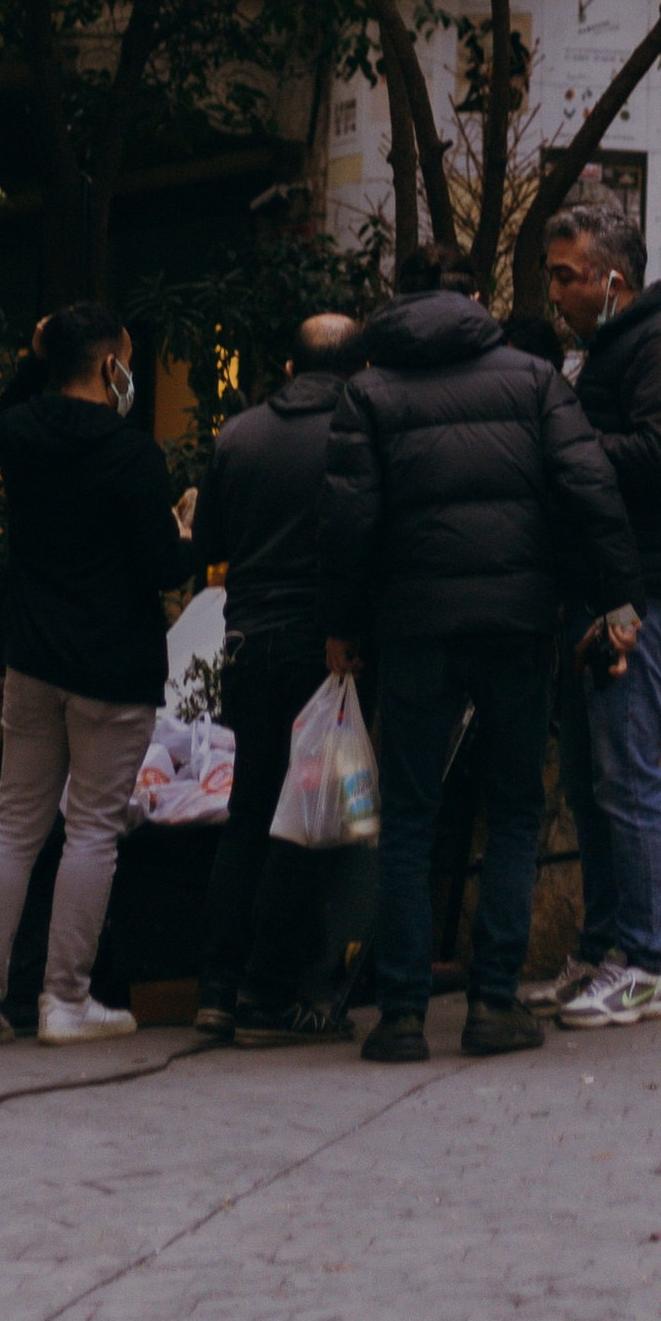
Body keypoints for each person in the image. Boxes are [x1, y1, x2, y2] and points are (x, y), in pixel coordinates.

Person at [321, 260, 640, 1064]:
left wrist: (346, 623)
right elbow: (590, 489)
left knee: (407, 816)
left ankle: (400, 1016)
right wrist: (615, 598)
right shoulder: (533, 380)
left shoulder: (370, 390)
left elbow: (349, 524)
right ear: (472, 308)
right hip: (517, 623)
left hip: (417, 628)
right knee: (515, 812)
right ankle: (494, 1002)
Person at [0, 302, 193, 1051]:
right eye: (124, 360)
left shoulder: (19, 436)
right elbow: (164, 565)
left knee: (12, 826)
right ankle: (64, 999)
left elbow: (6, 409)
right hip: (111, 664)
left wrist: (33, 354)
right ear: (108, 368)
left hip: (31, 656)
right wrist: (186, 527)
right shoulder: (132, 456)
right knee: (93, 827)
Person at [534, 195, 661, 1031]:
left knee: (627, 774)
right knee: (591, 776)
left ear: (612, 279)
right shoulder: (608, 349)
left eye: (565, 277)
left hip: (643, 596)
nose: (555, 293)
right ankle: (604, 948)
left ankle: (648, 961)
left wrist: (567, 449)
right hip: (596, 592)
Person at [192, 310, 362, 1043]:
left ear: (290, 369)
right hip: (320, 649)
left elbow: (210, 544)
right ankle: (269, 990)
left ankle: (215, 992)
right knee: (305, 821)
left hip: (247, 642)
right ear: (355, 373)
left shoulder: (238, 435)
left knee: (247, 815)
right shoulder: (356, 434)